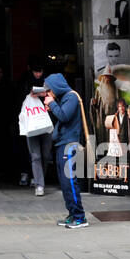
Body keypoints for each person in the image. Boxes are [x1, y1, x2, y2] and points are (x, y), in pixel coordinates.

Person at [44, 73, 87, 228]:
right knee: (64, 182)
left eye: (49, 91)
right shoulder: (63, 99)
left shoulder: (71, 97)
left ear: (55, 87)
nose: (48, 94)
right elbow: (62, 120)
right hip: (62, 143)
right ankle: (72, 213)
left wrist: (53, 104)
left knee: (69, 181)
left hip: (69, 144)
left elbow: (64, 116)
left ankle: (80, 217)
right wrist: (52, 107)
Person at [19, 82, 53, 197]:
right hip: (32, 125)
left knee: (45, 155)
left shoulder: (50, 85)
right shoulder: (25, 84)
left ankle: (40, 178)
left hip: (46, 124)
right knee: (36, 156)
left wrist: (46, 95)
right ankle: (39, 184)